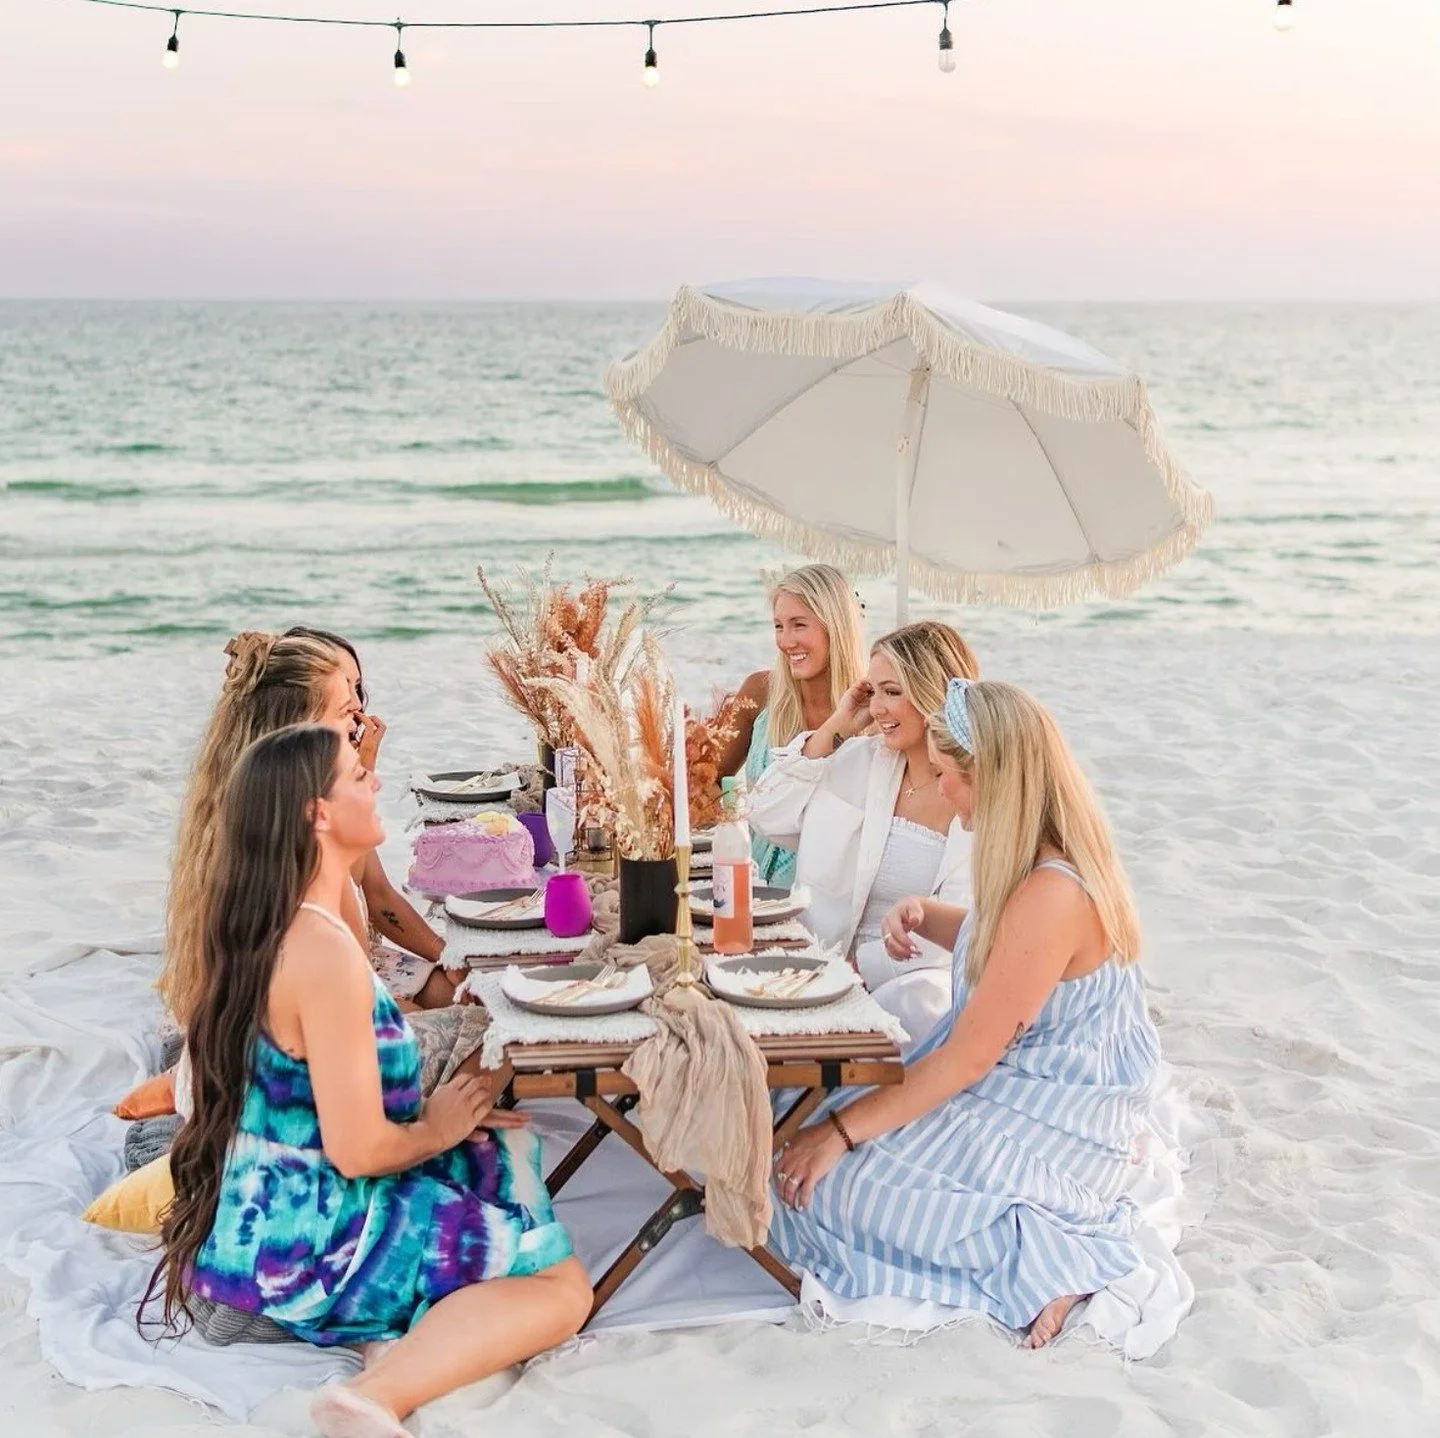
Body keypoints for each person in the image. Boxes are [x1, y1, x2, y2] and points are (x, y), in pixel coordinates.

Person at [147, 725, 589, 1438]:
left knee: (499, 1152)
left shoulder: (292, 919)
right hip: (303, 1242)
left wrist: (449, 1119)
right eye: (358, 775)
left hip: (268, 1202)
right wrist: (435, 1127)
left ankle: (421, 1317)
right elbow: (357, 1153)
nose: (375, 781)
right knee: (561, 1287)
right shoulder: (318, 950)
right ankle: (373, 1396)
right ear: (317, 813)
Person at [768, 678, 1161, 1350]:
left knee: (815, 1186)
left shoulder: (1052, 892)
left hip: (1048, 1115)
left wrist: (840, 1134)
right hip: (1022, 1084)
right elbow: (1006, 948)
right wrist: (929, 916)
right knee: (793, 1137)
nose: (942, 793)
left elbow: (968, 1058)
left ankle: (1049, 1258)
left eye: (950, 776)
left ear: (996, 781)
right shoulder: (1040, 868)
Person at [160, 630, 455, 1029]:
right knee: (468, 1025)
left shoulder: (322, 792)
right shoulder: (279, 832)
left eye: (356, 687)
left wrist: (451, 957)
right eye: (342, 702)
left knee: (466, 993)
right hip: (305, 1005)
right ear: (295, 725)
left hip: (352, 970)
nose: (358, 709)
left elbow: (375, 891)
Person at [747, 621, 979, 1049]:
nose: (877, 709)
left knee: (923, 998)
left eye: (893, 692)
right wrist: (838, 725)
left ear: (933, 692)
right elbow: (764, 813)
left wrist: (860, 969)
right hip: (816, 969)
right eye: (873, 692)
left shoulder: (973, 793)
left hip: (910, 988)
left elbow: (959, 934)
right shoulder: (857, 759)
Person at [715, 564, 867, 888]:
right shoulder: (760, 693)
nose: (785, 641)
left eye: (799, 625)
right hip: (753, 892)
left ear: (836, 627)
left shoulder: (871, 715)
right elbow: (707, 782)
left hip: (828, 903)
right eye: (779, 626)